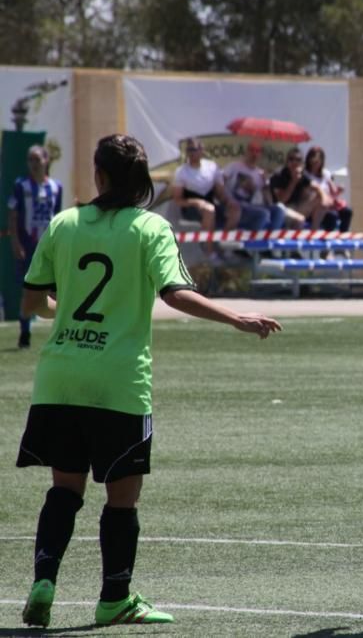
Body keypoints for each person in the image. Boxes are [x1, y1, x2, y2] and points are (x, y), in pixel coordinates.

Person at [16, 134, 281, 629]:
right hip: (117, 384)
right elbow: (176, 294)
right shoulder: (150, 228)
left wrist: (69, 314)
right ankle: (114, 598)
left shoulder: (64, 223)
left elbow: (31, 303)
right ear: (141, 182)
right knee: (122, 499)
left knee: (64, 489)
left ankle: (44, 579)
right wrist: (237, 318)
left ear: (99, 175)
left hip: (60, 380)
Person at [7, 145, 62, 349]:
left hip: (49, 247)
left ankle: (62, 332)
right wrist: (15, 241)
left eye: (37, 159)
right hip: (28, 246)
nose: (34, 163)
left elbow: (57, 217)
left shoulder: (56, 186)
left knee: (56, 291)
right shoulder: (21, 186)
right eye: (30, 159)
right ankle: (25, 332)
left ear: (46, 160)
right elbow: (13, 215)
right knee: (28, 290)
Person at [167, 138, 233, 261]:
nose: (191, 153)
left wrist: (229, 202)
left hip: (211, 204)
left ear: (201, 150)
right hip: (191, 209)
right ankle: (208, 250)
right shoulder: (181, 172)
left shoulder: (212, 167)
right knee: (209, 210)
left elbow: (220, 192)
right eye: (189, 150)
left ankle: (226, 248)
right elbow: (178, 199)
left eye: (194, 149)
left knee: (235, 210)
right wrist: (197, 202)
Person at [220, 141, 286, 233]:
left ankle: (270, 240)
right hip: (235, 203)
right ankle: (250, 242)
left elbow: (269, 201)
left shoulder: (260, 173)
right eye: (252, 150)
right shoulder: (234, 166)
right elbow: (220, 182)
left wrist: (266, 184)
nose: (254, 154)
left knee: (278, 210)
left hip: (251, 206)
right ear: (246, 152)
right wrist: (227, 198)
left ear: (260, 154)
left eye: (257, 151)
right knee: (263, 214)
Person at [269, 147, 326, 230]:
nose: (294, 162)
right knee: (300, 219)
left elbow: (317, 188)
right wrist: (293, 182)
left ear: (302, 163)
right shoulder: (279, 175)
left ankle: (313, 231)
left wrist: (324, 199)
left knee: (320, 200)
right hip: (280, 209)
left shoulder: (302, 175)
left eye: (298, 160)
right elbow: (281, 200)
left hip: (296, 207)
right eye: (291, 159)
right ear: (287, 161)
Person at [304, 145, 353, 233]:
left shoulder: (325, 173)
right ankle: (326, 242)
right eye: (313, 160)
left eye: (318, 161)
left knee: (347, 212)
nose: (315, 163)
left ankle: (342, 239)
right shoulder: (305, 175)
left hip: (329, 204)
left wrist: (339, 190)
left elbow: (334, 192)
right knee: (332, 216)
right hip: (314, 206)